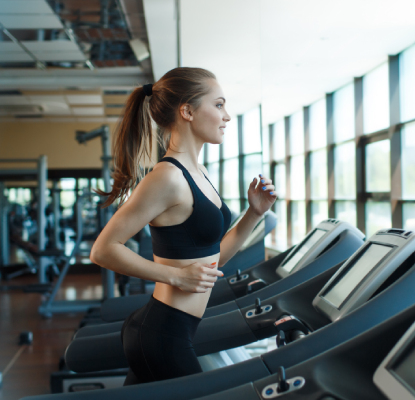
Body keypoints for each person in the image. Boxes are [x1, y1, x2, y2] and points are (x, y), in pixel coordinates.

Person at [89, 67, 277, 385]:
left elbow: (212, 261)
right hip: (164, 332)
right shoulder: (168, 177)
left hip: (174, 328)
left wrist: (254, 213)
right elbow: (103, 250)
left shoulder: (198, 171)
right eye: (218, 105)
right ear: (187, 111)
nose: (227, 116)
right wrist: (177, 275)